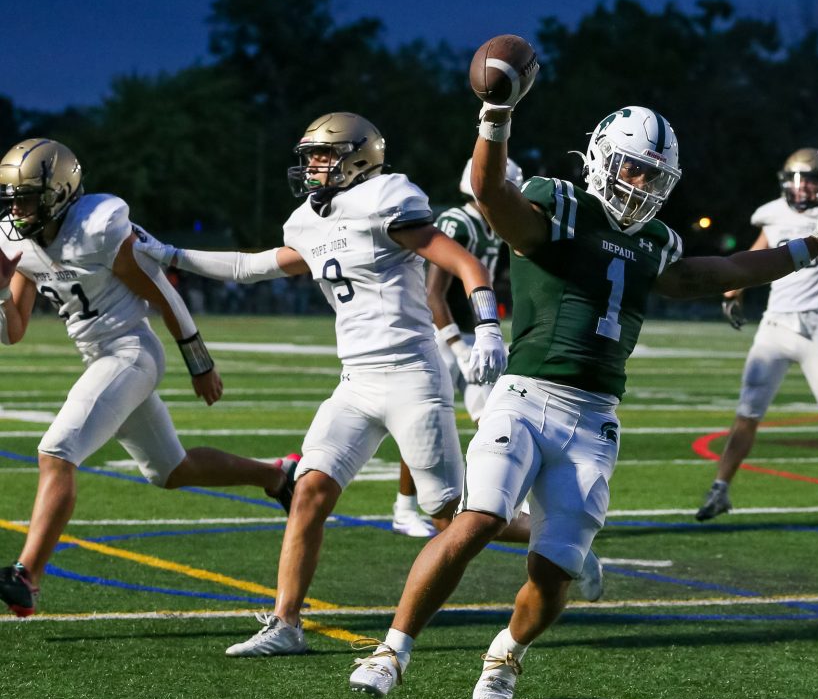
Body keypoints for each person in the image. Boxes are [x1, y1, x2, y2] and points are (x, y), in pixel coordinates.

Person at [347, 72, 818, 699]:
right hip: (525, 395)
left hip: (594, 417)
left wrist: (813, 246)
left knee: (554, 570)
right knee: (480, 517)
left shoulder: (656, 242)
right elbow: (488, 190)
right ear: (603, 159)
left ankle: (507, 652)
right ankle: (392, 651)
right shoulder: (559, 205)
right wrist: (496, 112)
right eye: (633, 169)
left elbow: (717, 272)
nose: (641, 185)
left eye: (653, 176)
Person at [139, 112, 511, 656]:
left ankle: (554, 540)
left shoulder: (387, 198)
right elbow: (252, 266)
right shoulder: (311, 221)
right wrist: (172, 254)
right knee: (308, 490)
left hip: (411, 376)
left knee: (453, 515)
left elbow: (465, 264)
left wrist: (488, 330)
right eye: (310, 154)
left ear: (359, 156)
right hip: (356, 382)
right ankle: (286, 624)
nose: (312, 165)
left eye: (323, 154)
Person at [0, 139, 296, 617]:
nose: (17, 208)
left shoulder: (97, 230)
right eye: (12, 197)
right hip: (99, 357)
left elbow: (162, 293)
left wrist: (199, 361)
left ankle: (26, 576)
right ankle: (277, 475)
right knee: (170, 471)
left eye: (27, 196)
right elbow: (12, 331)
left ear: (60, 193)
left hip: (130, 351)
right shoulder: (18, 241)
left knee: (56, 452)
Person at [696, 148, 818, 522]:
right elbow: (754, 257)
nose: (802, 189)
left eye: (812, 181)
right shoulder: (773, 214)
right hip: (775, 326)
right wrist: (733, 293)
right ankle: (720, 489)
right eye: (797, 181)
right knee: (747, 413)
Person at [391, 158, 525, 538]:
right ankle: (404, 507)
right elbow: (432, 293)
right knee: (422, 421)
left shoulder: (492, 226)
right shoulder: (456, 221)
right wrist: (456, 345)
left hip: (469, 336)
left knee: (494, 416)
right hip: (441, 334)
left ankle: (504, 501)